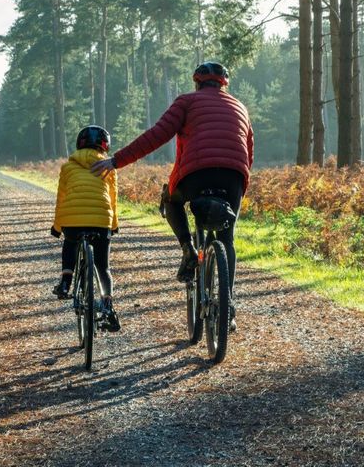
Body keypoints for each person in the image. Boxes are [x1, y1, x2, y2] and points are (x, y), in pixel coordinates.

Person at [91, 62, 253, 320]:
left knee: (171, 198)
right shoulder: (240, 107)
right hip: (234, 175)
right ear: (224, 84)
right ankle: (228, 307)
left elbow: (157, 135)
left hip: (195, 174)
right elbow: (248, 149)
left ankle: (188, 248)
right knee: (227, 238)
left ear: (197, 82)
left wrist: (116, 160)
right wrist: (240, 183)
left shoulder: (187, 101)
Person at [52, 125, 121, 332]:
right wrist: (114, 224)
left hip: (72, 220)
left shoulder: (67, 167)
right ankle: (107, 305)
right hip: (101, 221)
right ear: (105, 145)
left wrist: (57, 226)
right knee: (103, 266)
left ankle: (65, 280)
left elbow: (61, 198)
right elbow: (113, 198)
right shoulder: (108, 166)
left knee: (70, 242)